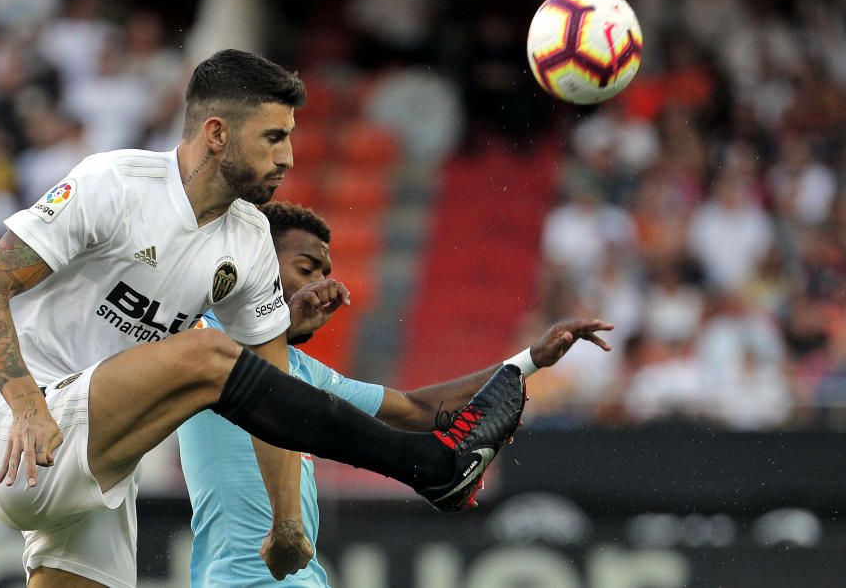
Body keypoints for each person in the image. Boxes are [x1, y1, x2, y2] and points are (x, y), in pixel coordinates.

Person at [0, 49, 528, 588]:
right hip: (21, 436)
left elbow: (271, 393)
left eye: (291, 139)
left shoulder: (249, 239)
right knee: (207, 352)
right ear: (217, 133)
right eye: (274, 137)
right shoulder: (116, 184)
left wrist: (286, 524)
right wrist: (28, 409)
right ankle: (426, 464)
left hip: (103, 468)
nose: (288, 157)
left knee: (227, 361)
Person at [178, 201, 614, 587]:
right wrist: (283, 319)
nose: (320, 283)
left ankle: (434, 469)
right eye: (306, 268)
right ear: (259, 264)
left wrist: (531, 359)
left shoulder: (305, 372)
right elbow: (243, 358)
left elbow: (419, 409)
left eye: (325, 273)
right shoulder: (203, 340)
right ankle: (434, 470)